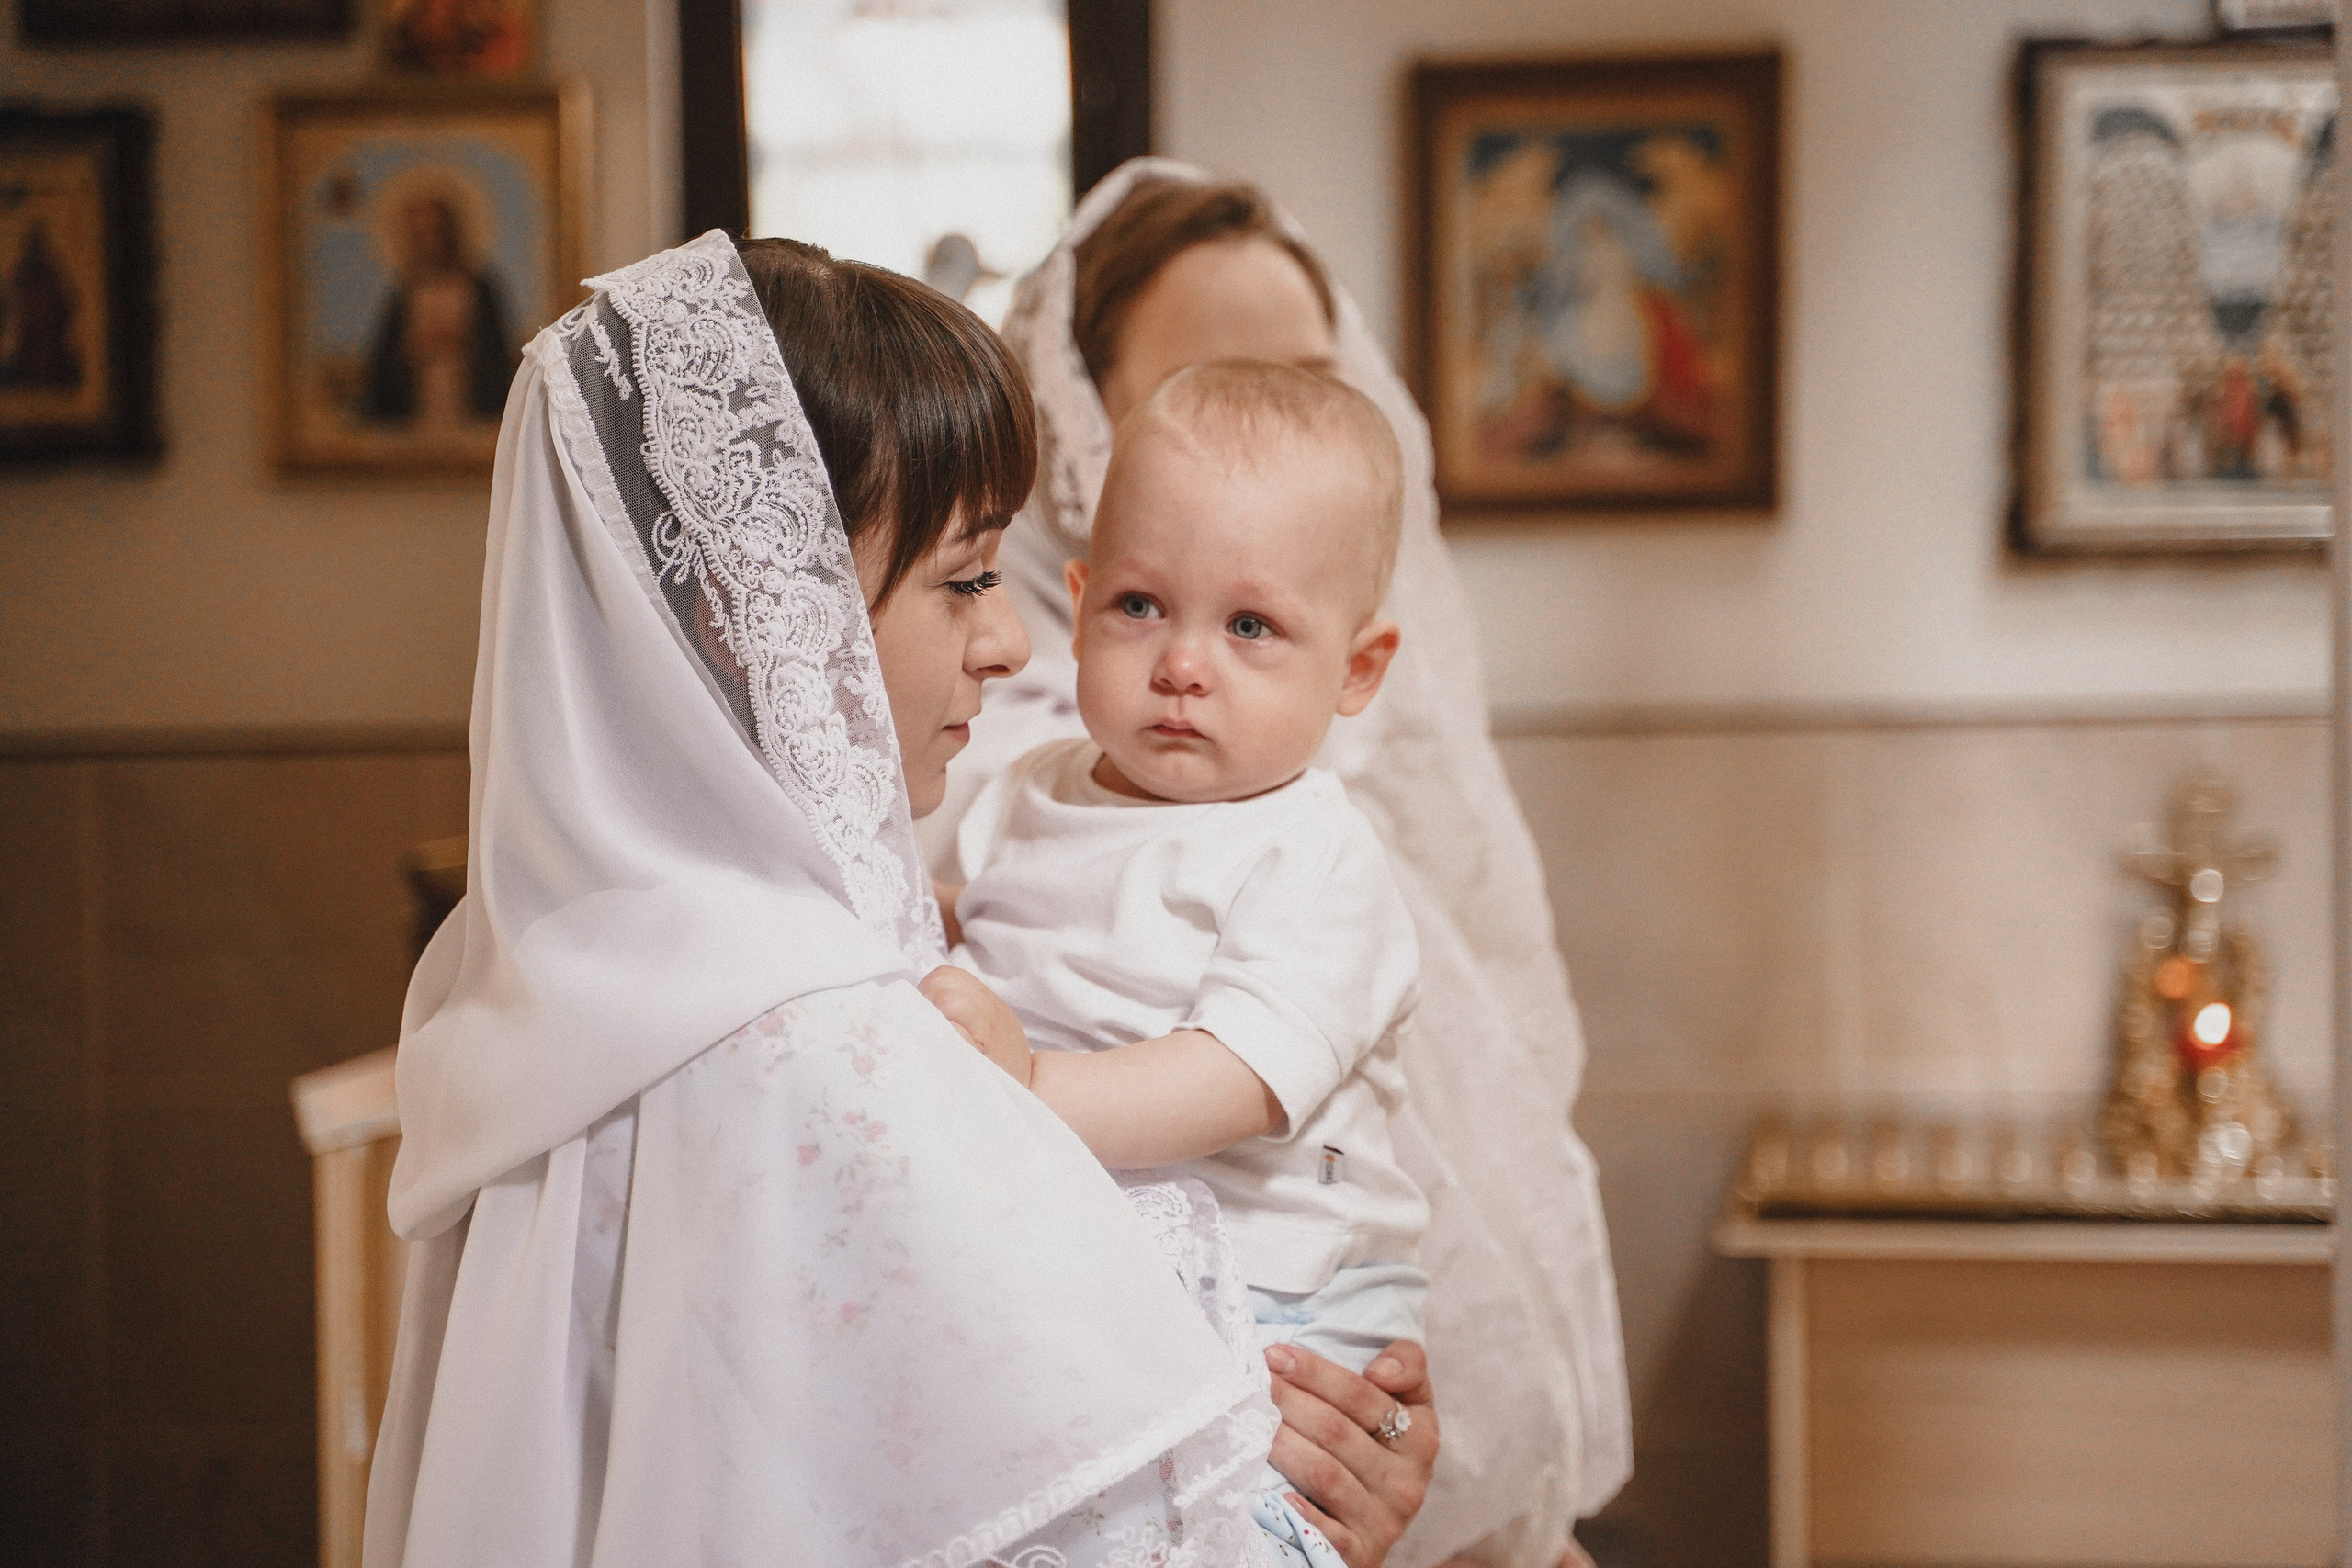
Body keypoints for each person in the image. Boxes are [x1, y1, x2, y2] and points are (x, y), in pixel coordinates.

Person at [364, 230, 1440, 1568]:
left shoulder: (561, 977)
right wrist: (1324, 1518)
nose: (1010, 637)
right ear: (757, 610)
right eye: (968, 574)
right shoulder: (830, 1048)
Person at [923, 160, 1633, 1568]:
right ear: (1085, 423)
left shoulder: (1315, 810)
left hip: (1299, 1343)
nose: (1275, 440)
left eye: (1315, 381)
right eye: (1220, 382)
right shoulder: (984, 727)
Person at [928, 362, 1423, 1567]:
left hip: (1280, 1306)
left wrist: (1030, 1089)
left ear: (1357, 669)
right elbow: (979, 923)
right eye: (1142, 605)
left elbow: (1236, 1075)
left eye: (1249, 626)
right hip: (1095, 1280)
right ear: (1082, 599)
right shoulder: (1022, 790)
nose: (1183, 662)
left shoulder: (1313, 851)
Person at [362, 191, 515, 433]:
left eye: (436, 233)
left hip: (467, 404)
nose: (430, 243)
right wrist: (411, 349)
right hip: (419, 409)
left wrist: (463, 342)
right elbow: (385, 365)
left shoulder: (478, 288)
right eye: (420, 235)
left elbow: (495, 354)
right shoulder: (404, 294)